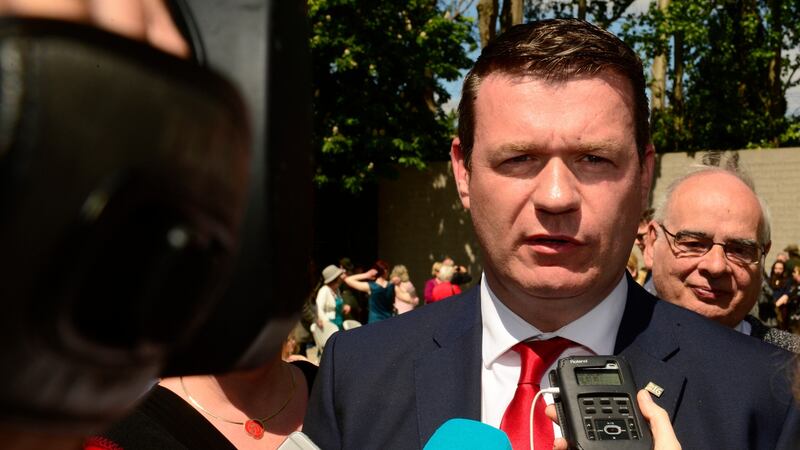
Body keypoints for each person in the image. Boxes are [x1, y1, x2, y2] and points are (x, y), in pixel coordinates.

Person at [304, 19, 799, 450]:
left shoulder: (765, 394)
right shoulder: (357, 374)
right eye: (519, 158)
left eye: (594, 159)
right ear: (463, 173)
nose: (557, 196)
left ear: (644, 175)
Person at [644, 162, 800, 353]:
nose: (716, 266)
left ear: (763, 256)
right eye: (694, 244)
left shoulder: (792, 365)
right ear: (652, 244)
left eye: (739, 250)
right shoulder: (604, 347)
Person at [315, 265, 350, 330]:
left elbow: (336, 307)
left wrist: (344, 307)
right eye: (339, 276)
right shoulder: (324, 290)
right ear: (335, 278)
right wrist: (328, 324)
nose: (341, 278)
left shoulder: (337, 290)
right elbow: (318, 309)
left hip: (339, 322)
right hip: (330, 324)